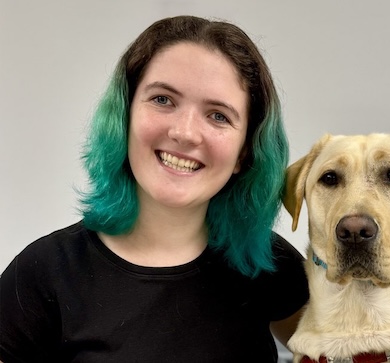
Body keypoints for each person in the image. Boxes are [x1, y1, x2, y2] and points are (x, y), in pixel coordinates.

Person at [0, 15, 308, 363]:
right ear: (125, 115)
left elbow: (347, 350)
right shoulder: (41, 275)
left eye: (219, 115)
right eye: (163, 99)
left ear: (245, 151)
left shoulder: (268, 264)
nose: (185, 133)